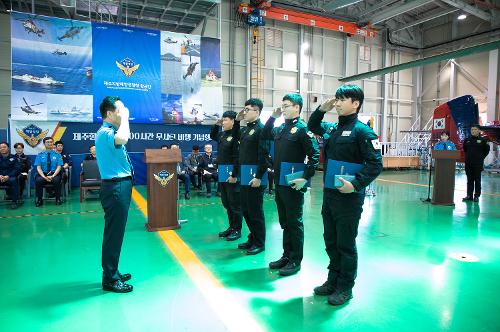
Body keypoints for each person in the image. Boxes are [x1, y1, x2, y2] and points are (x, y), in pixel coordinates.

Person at [308, 84, 383, 305]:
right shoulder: (332, 128)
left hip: (349, 198)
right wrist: (321, 109)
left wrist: (356, 184)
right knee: (330, 240)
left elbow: (375, 164)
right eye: (337, 98)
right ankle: (332, 280)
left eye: (343, 99)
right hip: (330, 195)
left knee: (345, 244)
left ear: (356, 103)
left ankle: (345, 287)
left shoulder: (363, 132)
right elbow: (313, 125)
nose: (338, 103)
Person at [261, 93, 320, 276]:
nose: (283, 108)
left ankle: (295, 260)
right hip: (280, 182)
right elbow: (265, 134)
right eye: (283, 105)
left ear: (297, 107)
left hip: (293, 184)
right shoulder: (281, 129)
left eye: (286, 106)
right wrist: (273, 117)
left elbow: (315, 156)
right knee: (285, 222)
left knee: (294, 222)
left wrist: (305, 177)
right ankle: (286, 255)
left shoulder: (303, 129)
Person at [95, 96, 134, 293]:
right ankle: (109, 279)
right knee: (114, 234)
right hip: (115, 187)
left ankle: (113, 271)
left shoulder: (110, 131)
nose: (123, 112)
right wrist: (125, 117)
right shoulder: (104, 133)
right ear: (110, 114)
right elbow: (123, 138)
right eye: (119, 110)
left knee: (116, 233)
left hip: (120, 186)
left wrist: (123, 114)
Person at [232, 98, 270, 255]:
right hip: (245, 175)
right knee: (246, 210)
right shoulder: (246, 129)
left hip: (255, 177)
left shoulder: (261, 129)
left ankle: (259, 242)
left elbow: (264, 155)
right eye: (244, 109)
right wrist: (236, 121)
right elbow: (234, 137)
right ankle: (252, 237)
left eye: (248, 109)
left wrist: (259, 176)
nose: (245, 112)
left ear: (257, 111)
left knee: (255, 211)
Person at [211, 111, 242, 241]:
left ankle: (237, 229)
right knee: (226, 202)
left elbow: (238, 157)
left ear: (233, 121)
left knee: (234, 203)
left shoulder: (237, 136)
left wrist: (235, 174)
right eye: (222, 120)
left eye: (225, 120)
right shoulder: (222, 135)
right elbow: (213, 135)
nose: (223, 122)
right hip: (223, 171)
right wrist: (216, 124)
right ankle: (231, 227)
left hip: (232, 173)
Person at [462, 124, 490, 202]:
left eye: (475, 129)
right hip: (468, 163)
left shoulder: (483, 140)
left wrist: (480, 158)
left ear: (479, 131)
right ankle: (469, 195)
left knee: (477, 180)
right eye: (472, 130)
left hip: (478, 163)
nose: (473, 131)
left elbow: (486, 150)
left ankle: (476, 196)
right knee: (469, 180)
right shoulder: (467, 140)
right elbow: (465, 149)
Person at [34, 137, 63, 206]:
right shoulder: (40, 155)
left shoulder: (58, 155)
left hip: (54, 173)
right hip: (43, 174)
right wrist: (44, 177)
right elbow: (38, 167)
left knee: (56, 180)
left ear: (53, 144)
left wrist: (53, 176)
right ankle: (39, 199)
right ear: (44, 144)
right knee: (38, 181)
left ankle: (58, 198)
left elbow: (59, 167)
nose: (49, 143)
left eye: (51, 142)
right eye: (47, 142)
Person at [0, 142, 22, 209]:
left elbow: (17, 169)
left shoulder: (14, 158)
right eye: (1, 147)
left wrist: (8, 176)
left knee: (13, 180)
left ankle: (14, 201)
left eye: (4, 147)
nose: (2, 149)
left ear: (8, 148)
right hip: (0, 177)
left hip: (10, 177)